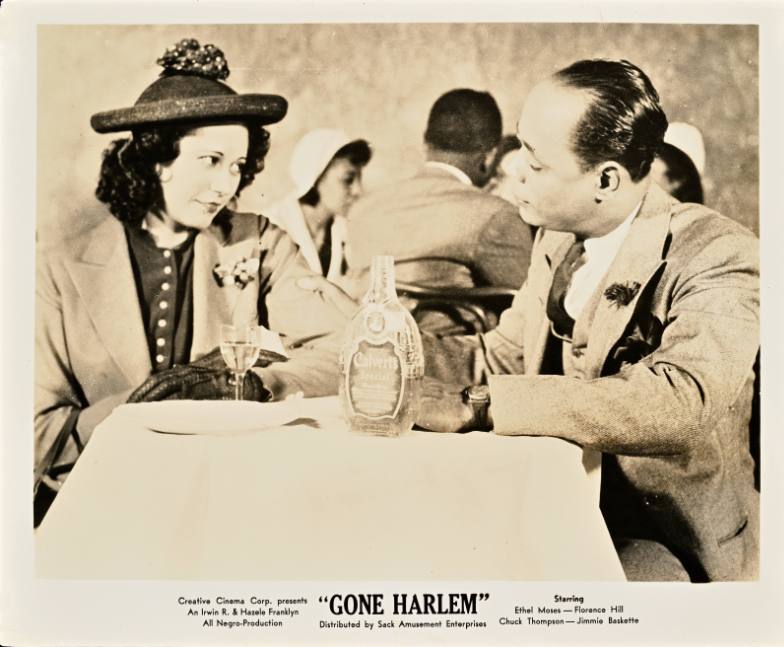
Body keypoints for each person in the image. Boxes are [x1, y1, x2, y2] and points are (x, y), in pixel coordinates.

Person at [417, 59, 759, 582]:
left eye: (535, 162)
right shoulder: (556, 238)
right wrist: (384, 350)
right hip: (556, 513)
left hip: (670, 543)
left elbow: (680, 399)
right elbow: (499, 355)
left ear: (606, 178)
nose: (514, 174)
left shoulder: (719, 252)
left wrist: (481, 406)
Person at [35, 39, 347, 517]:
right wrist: (143, 407)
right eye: (211, 161)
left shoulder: (260, 242)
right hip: (105, 506)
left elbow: (343, 349)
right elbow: (36, 436)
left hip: (231, 496)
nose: (227, 186)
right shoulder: (59, 269)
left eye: (238, 166)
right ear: (157, 161)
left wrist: (259, 384)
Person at [344, 89, 534, 334]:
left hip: (365, 347)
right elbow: (534, 302)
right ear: (489, 157)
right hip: (444, 359)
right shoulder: (495, 215)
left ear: (426, 144)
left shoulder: (363, 209)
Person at [265, 128, 371, 286]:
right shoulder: (272, 224)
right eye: (348, 179)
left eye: (359, 179)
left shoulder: (341, 228)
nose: (358, 190)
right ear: (315, 178)